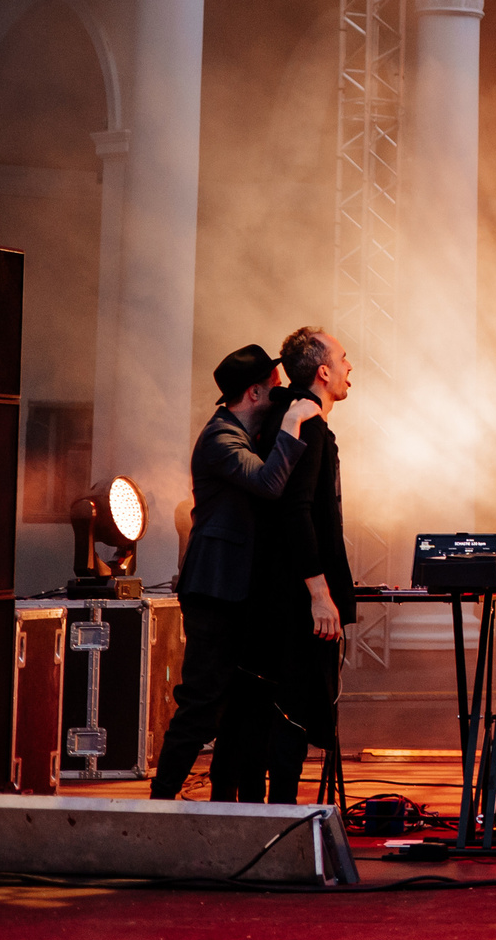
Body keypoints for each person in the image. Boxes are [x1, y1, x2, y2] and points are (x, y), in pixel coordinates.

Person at [148, 345, 319, 799]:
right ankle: (159, 802)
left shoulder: (245, 434)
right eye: (275, 385)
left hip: (238, 591)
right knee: (201, 702)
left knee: (238, 701)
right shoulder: (220, 439)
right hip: (214, 589)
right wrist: (292, 424)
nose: (283, 391)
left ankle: (227, 802)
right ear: (254, 392)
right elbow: (267, 485)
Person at [218, 324, 359, 802]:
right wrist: (320, 593)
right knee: (293, 707)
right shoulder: (309, 424)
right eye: (343, 358)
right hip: (294, 598)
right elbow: (296, 512)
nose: (349, 366)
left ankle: (252, 816)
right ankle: (281, 818)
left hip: (262, 590)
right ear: (323, 371)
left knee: (258, 707)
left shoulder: (277, 415)